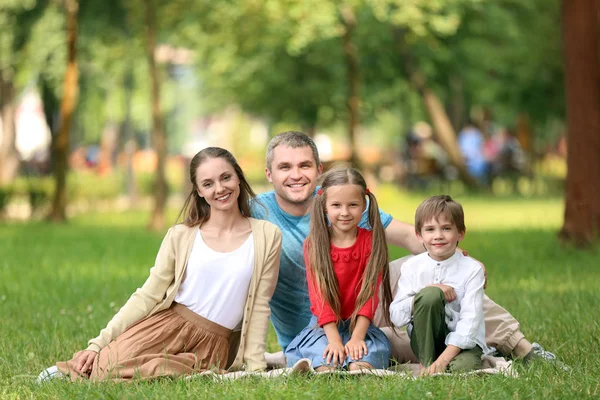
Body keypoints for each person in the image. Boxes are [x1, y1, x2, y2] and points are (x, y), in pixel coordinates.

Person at [251, 131, 556, 366]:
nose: (295, 175)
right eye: (284, 167)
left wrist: (460, 259)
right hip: (313, 329)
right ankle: (463, 346)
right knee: (413, 347)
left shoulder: (345, 199)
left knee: (430, 266)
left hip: (368, 312)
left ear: (318, 169)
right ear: (269, 174)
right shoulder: (256, 212)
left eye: (304, 165)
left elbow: (412, 237)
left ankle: (522, 348)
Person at [38, 147, 282, 382]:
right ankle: (79, 367)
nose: (219, 188)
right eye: (208, 183)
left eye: (226, 178)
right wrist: (98, 343)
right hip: (165, 327)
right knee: (105, 368)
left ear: (238, 178)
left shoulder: (266, 235)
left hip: (214, 344)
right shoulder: (181, 235)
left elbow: (261, 304)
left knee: (156, 373)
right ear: (198, 191)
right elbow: (148, 294)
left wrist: (256, 367)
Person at [285, 168, 393, 371]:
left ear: (364, 205)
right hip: (324, 325)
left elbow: (370, 296)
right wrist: (334, 341)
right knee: (325, 363)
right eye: (336, 205)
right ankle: (323, 358)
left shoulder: (370, 242)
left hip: (360, 323)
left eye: (353, 205)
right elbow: (319, 299)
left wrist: (357, 338)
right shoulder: (314, 244)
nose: (344, 212)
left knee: (363, 362)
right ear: (325, 206)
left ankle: (357, 358)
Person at [390, 195, 487, 375]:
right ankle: (426, 365)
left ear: (461, 233)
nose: (438, 236)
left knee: (461, 369)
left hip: (462, 344)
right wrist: (426, 293)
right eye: (430, 229)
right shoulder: (412, 267)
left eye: (446, 228)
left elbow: (470, 321)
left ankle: (439, 364)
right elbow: (396, 316)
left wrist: (443, 361)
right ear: (419, 235)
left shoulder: (472, 270)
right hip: (426, 342)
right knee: (430, 294)